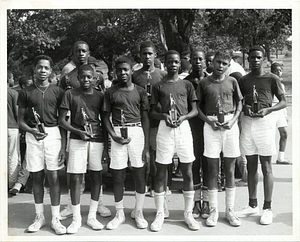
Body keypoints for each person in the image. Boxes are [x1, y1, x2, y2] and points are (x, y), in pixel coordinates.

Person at [59, 42, 111, 220]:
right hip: (74, 123)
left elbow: (102, 107)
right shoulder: (67, 76)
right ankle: (71, 206)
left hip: (95, 130)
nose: (81, 54)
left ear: (89, 52)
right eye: (77, 51)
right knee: (75, 171)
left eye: (84, 51)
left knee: (96, 171)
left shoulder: (98, 76)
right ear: (72, 54)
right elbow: (63, 106)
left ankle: (100, 203)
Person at [149, 50, 199, 232]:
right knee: (161, 171)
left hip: (183, 129)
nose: (173, 65)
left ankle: (188, 213)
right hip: (165, 129)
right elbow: (151, 111)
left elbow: (195, 110)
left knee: (187, 170)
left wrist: (184, 118)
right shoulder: (158, 86)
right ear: (165, 63)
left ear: (180, 64)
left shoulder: (186, 85)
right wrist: (163, 116)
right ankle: (160, 212)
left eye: (176, 62)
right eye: (170, 62)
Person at [237, 45, 286, 225]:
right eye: (252, 57)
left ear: (264, 59)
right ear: (248, 59)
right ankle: (252, 205)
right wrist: (246, 108)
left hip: (265, 124)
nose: (255, 60)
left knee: (266, 167)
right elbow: (240, 101)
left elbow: (283, 102)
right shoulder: (243, 80)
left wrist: (269, 110)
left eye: (258, 57)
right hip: (248, 123)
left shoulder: (272, 78)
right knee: (251, 166)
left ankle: (267, 207)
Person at [17, 55, 67, 234]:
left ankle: (55, 217)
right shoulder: (26, 92)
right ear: (34, 69)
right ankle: (39, 216)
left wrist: (64, 146)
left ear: (51, 71)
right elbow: (20, 121)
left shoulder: (58, 91)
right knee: (37, 177)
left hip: (53, 134)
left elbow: (62, 122)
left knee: (53, 176)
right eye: (39, 67)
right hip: (33, 135)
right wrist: (31, 131)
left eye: (46, 68)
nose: (43, 71)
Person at [102, 56, 150, 230]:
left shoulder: (140, 91)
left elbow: (145, 118)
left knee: (139, 173)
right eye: (119, 70)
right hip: (117, 132)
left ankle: (138, 211)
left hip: (136, 131)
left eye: (126, 70)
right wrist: (113, 136)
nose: (122, 73)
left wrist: (146, 145)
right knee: (118, 175)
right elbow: (105, 118)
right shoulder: (111, 92)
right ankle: (119, 213)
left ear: (131, 71)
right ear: (115, 71)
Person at [196, 50, 243, 227]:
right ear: (212, 62)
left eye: (224, 64)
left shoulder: (232, 81)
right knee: (212, 168)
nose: (220, 66)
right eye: (218, 63)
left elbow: (240, 102)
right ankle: (214, 209)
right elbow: (197, 107)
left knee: (230, 169)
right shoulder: (203, 83)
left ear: (228, 65)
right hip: (211, 125)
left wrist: (234, 120)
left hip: (230, 124)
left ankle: (229, 210)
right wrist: (209, 121)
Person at [132, 41, 169, 217]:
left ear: (155, 55)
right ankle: (140, 195)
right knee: (142, 159)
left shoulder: (162, 75)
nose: (147, 57)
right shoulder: (134, 75)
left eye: (150, 53)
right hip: (138, 124)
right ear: (140, 55)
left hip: (157, 123)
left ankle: (161, 193)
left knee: (160, 160)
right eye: (144, 53)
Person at [184, 50, 208, 219]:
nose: (197, 61)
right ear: (190, 61)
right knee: (194, 163)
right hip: (192, 127)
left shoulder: (210, 80)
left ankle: (206, 202)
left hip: (210, 126)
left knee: (208, 163)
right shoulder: (185, 82)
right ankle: (195, 202)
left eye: (200, 59)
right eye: (194, 59)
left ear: (205, 61)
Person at [8, 76, 33, 195]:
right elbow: (18, 114)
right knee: (16, 157)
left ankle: (18, 183)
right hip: (17, 128)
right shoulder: (15, 94)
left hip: (21, 129)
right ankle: (14, 183)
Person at [270, 62, 290, 165]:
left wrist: (285, 115)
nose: (278, 72)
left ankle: (281, 158)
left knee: (284, 133)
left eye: (280, 70)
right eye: (276, 70)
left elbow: (283, 100)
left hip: (280, 111)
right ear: (272, 71)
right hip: (271, 110)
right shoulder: (269, 82)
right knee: (269, 136)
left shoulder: (281, 85)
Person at [7, 73, 21, 194]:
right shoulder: (13, 93)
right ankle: (11, 183)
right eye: (12, 78)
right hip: (12, 126)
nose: (13, 80)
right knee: (13, 155)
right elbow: (17, 112)